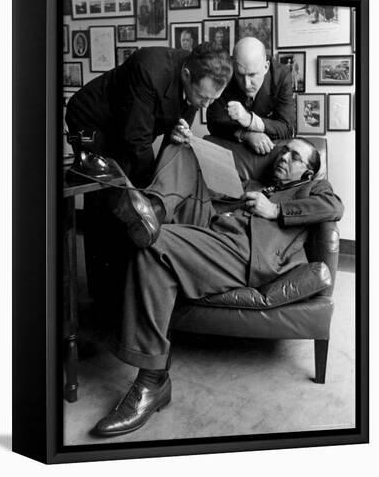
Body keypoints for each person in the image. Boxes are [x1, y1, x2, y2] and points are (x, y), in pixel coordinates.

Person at [89, 137, 344, 437]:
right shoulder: (259, 185)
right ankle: (155, 208)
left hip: (245, 252)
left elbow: (334, 206)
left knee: (152, 244)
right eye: (283, 151)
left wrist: (274, 210)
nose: (284, 157)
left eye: (295, 157)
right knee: (181, 148)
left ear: (308, 173)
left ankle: (151, 380)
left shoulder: (313, 189)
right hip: (212, 226)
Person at [66, 43, 233, 187]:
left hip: (125, 124)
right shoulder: (148, 69)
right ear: (186, 75)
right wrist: (151, 187)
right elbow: (137, 138)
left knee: (128, 183)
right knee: (104, 184)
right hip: (90, 118)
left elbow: (173, 139)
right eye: (203, 97)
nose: (205, 105)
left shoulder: (200, 82)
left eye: (212, 99)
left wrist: (176, 139)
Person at [207, 37, 294, 155]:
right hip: (233, 149)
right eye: (240, 75)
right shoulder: (226, 70)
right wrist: (246, 135)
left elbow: (286, 129)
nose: (247, 84)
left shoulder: (281, 76)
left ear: (266, 67)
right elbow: (213, 123)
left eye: (252, 75)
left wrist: (249, 120)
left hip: (270, 151)